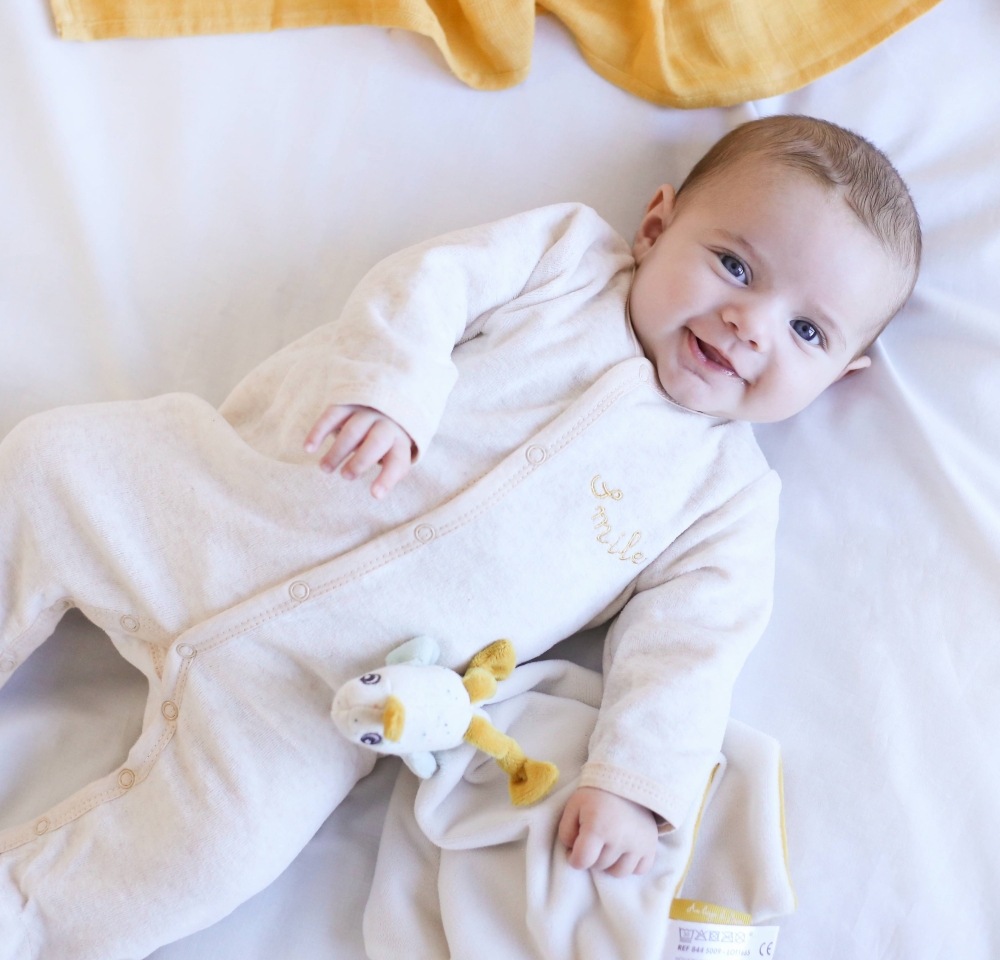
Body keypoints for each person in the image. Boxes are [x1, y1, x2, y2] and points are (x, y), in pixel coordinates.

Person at [0, 115, 920, 960]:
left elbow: (692, 650)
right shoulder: (567, 261)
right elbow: (429, 286)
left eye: (807, 330)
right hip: (213, 506)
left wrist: (636, 783)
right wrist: (392, 388)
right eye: (734, 266)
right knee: (49, 467)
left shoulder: (724, 497)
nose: (749, 325)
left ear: (843, 374)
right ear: (656, 226)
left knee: (217, 850)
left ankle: (27, 915)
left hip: (318, 694)